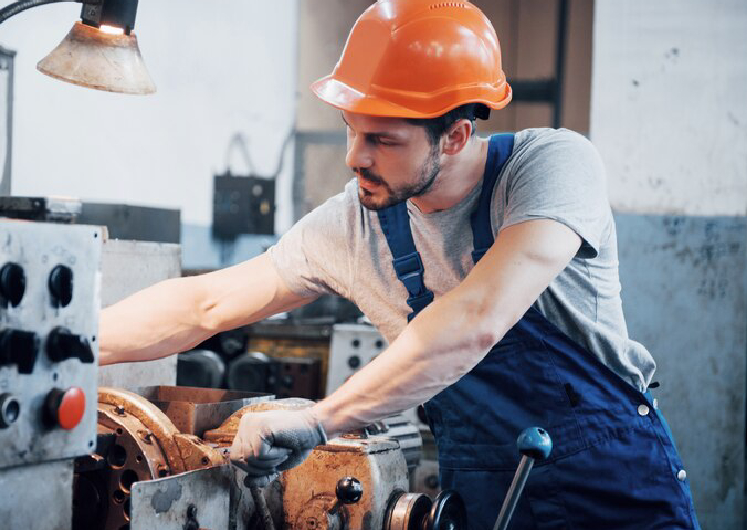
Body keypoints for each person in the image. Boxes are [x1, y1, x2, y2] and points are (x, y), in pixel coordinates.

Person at [98, 1, 700, 528]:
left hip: (613, 495)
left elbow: (476, 318)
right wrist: (74, 344)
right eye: (352, 131)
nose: (355, 157)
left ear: (457, 136)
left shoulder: (550, 169)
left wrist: (320, 420)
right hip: (487, 502)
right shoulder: (356, 222)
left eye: (383, 139)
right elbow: (207, 303)